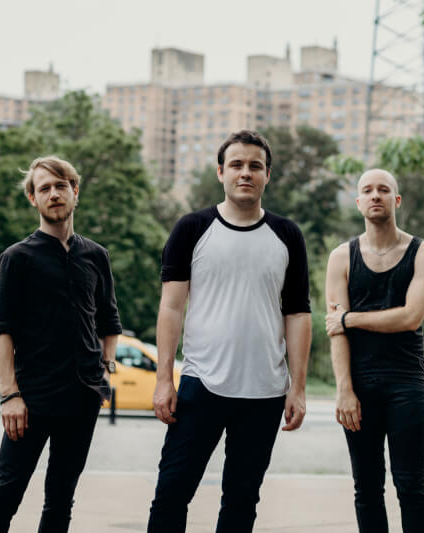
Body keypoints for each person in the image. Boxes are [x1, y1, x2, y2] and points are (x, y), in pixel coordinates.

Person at [147, 130, 312, 533]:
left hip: (265, 392)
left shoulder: (287, 235)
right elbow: (171, 307)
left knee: (242, 500)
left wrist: (298, 387)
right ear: (221, 172)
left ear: (267, 175)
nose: (245, 173)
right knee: (171, 493)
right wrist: (164, 379)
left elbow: (297, 314)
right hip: (201, 383)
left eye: (255, 166)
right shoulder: (192, 228)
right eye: (236, 164)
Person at [0, 156, 122, 533]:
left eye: (61, 186)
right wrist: (10, 395)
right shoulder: (16, 259)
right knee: (5, 495)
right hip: (31, 399)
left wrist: (105, 372)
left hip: (82, 397)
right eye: (44, 188)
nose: (54, 194)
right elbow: (1, 330)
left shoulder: (96, 256)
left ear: (75, 191)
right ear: (33, 198)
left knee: (60, 499)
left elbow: (109, 322)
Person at [324, 169, 424, 533]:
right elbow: (335, 333)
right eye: (368, 190)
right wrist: (344, 390)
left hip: (406, 383)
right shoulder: (341, 257)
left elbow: (410, 317)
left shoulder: (423, 253)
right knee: (367, 487)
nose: (376, 195)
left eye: (384, 190)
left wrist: (350, 319)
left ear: (396, 200)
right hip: (359, 385)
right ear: (358, 202)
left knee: (411, 486)